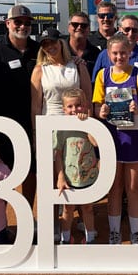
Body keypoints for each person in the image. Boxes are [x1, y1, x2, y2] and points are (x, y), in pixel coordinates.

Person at [92, 33, 138, 244]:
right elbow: (96, 106)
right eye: (115, 53)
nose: (119, 57)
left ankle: (136, 233)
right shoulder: (103, 74)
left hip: (133, 138)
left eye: (123, 53)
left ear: (130, 53)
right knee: (114, 188)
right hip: (110, 137)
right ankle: (114, 232)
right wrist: (100, 112)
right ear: (109, 54)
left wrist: (136, 109)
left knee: (133, 188)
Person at [0, 4, 40, 212]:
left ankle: (27, 214)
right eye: (18, 22)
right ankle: (0, 218)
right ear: (8, 24)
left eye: (27, 22)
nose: (23, 26)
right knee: (6, 169)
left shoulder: (37, 50)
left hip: (32, 121)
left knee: (31, 170)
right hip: (5, 121)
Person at [54, 88, 99, 244]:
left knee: (87, 208)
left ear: (85, 105)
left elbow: (95, 142)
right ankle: (65, 238)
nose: (74, 110)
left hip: (88, 175)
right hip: (69, 177)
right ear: (64, 109)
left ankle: (91, 237)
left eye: (78, 105)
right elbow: (58, 154)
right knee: (67, 210)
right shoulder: (60, 129)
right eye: (70, 107)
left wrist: (87, 124)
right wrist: (60, 177)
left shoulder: (89, 124)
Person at [30, 27, 92, 120]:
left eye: (53, 42)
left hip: (77, 120)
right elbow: (36, 106)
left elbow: (87, 99)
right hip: (49, 121)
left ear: (61, 42)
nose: (49, 46)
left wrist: (89, 128)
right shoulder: (39, 69)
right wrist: (35, 131)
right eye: (45, 44)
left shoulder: (78, 65)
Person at [91, 14, 138, 78]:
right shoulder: (104, 55)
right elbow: (95, 81)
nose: (130, 34)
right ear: (119, 29)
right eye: (127, 29)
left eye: (135, 30)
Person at [66, 11, 101, 79]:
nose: (79, 27)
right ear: (68, 28)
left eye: (84, 25)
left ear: (89, 29)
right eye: (75, 24)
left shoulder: (96, 53)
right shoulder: (60, 51)